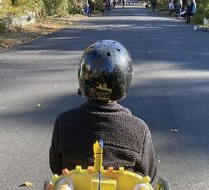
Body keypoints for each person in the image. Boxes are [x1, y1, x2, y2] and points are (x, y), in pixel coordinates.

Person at [49, 40, 156, 181]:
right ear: (124, 80)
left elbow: (56, 167)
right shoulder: (139, 128)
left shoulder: (64, 122)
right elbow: (148, 174)